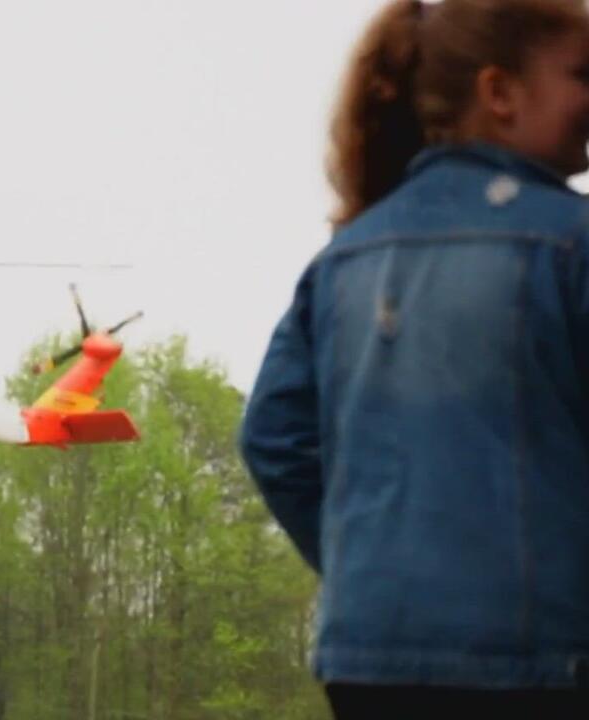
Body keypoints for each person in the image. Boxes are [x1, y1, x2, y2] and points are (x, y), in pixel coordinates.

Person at [239, 0, 589, 717]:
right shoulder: (571, 245)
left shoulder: (342, 259)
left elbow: (273, 438)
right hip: (538, 662)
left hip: (369, 658)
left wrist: (366, 564)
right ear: (500, 93)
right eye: (582, 74)